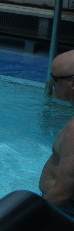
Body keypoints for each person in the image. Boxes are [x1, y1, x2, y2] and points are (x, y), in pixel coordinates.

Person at [40, 50, 74, 216]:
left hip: (63, 211)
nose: (51, 84)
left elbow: (65, 191)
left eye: (55, 78)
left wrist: (31, 218)